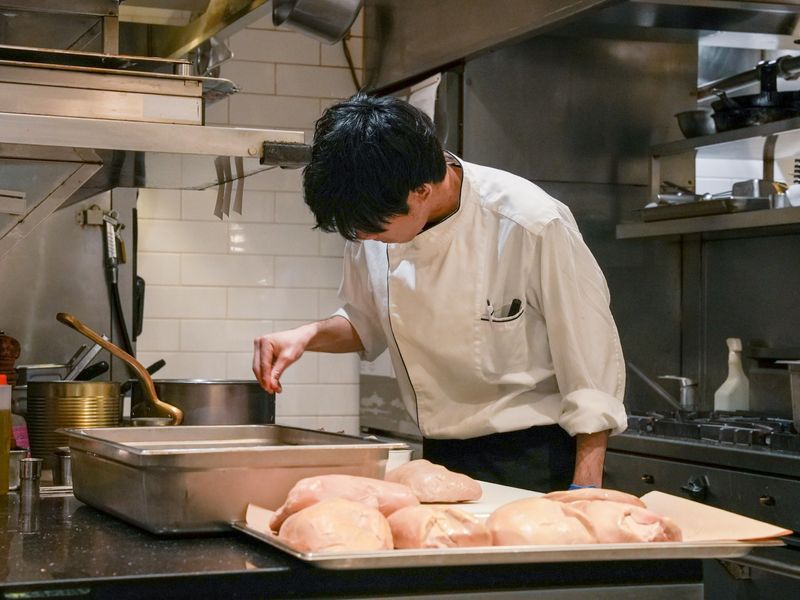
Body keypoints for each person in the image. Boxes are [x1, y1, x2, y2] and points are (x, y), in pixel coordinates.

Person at [253, 92, 627, 493]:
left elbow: (591, 364)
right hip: (441, 455)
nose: (364, 239)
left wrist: (585, 489)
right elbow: (369, 322)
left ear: (422, 191)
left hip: (537, 459)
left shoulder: (530, 222)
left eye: (374, 229)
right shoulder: (371, 222)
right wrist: (305, 336)